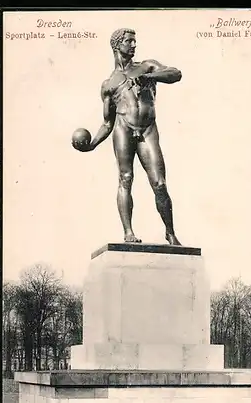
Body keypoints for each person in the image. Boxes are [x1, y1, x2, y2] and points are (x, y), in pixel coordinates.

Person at [73, 28, 182, 245]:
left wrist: (149, 76)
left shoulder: (147, 65)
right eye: (129, 41)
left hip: (148, 129)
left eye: (134, 41)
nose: (134, 45)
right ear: (117, 45)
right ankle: (128, 232)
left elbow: (175, 74)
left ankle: (170, 233)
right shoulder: (108, 84)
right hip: (123, 128)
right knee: (125, 178)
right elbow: (107, 122)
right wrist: (92, 144)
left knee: (159, 183)